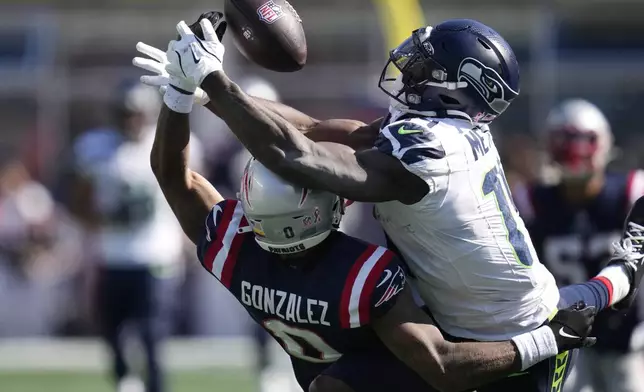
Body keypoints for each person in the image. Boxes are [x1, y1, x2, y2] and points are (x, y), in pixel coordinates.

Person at [134, 15, 644, 391]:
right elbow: (307, 129)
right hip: (472, 324)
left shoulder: (430, 153)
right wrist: (205, 94)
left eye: (425, 65)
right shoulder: (437, 134)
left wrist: (210, 86)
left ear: (458, 83)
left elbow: (298, 153)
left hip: (509, 344)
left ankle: (621, 275)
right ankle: (622, 275)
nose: (409, 68)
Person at [69, 82, 203, 392]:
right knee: (111, 334)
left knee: (153, 337)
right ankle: (125, 381)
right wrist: (98, 220)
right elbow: (77, 200)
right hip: (112, 254)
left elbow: (194, 192)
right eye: (125, 114)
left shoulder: (175, 143)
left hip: (157, 256)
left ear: (150, 115)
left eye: (137, 114)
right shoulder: (95, 148)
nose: (131, 121)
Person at [514, 99, 644, 392]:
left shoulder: (631, 193)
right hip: (565, 337)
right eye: (565, 140)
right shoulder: (531, 202)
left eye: (584, 140)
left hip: (628, 336)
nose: (575, 150)